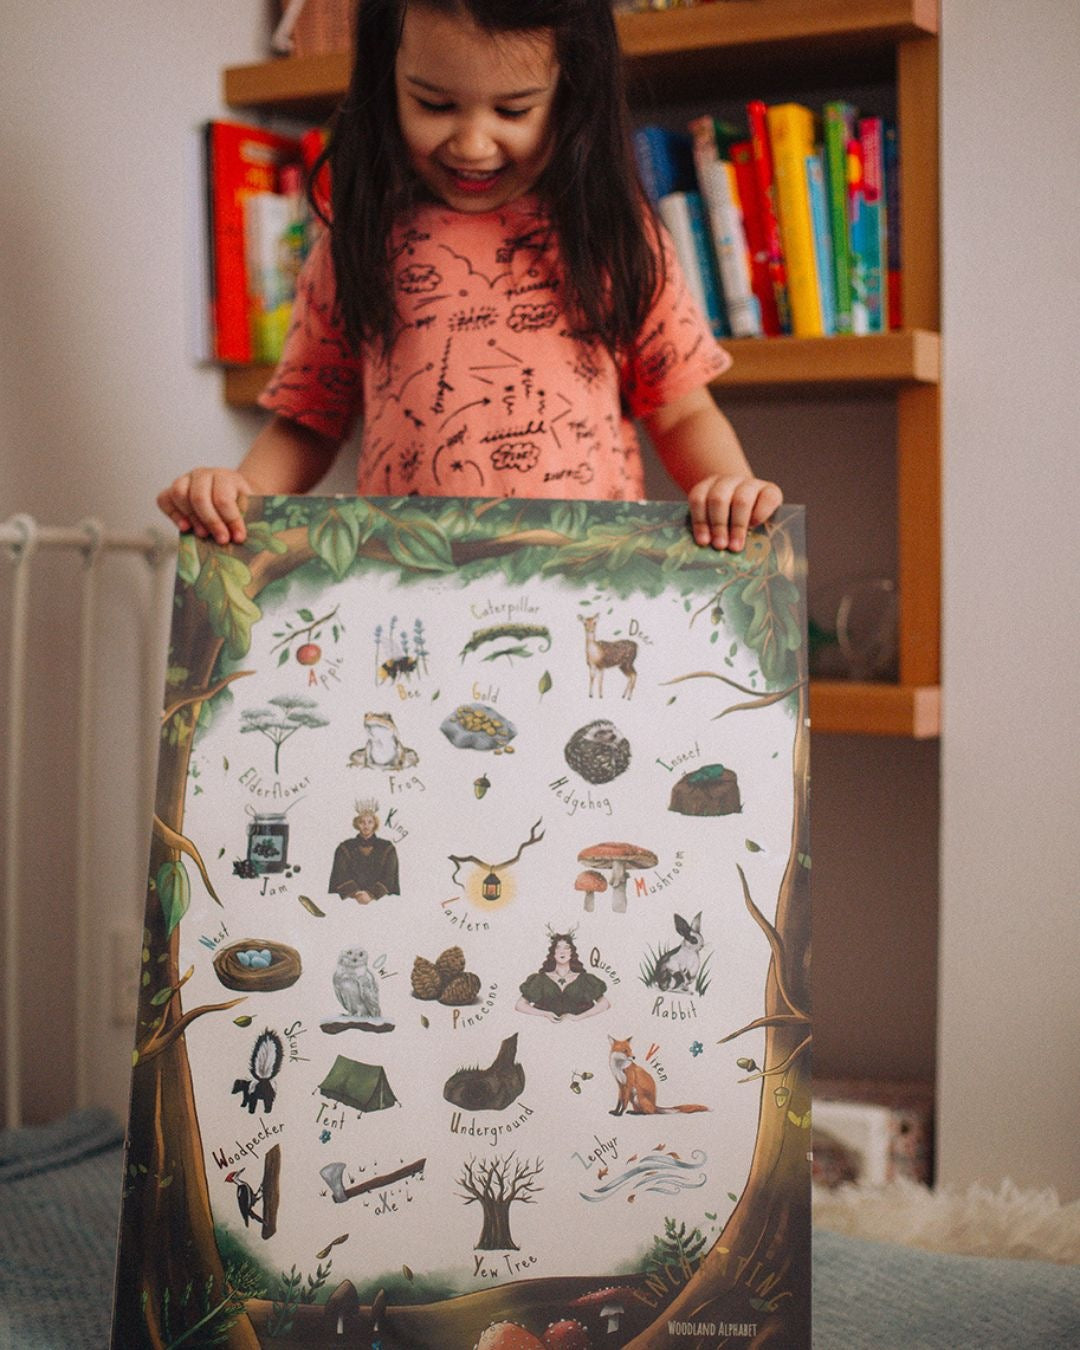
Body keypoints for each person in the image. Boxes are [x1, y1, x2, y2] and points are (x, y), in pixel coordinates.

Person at [158, 0, 781, 553]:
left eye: (513, 109)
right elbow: (308, 420)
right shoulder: (360, 242)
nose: (473, 144)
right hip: (412, 586)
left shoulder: (615, 237)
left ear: (572, 94)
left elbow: (681, 413)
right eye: (434, 104)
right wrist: (240, 491)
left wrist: (727, 488)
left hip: (586, 583)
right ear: (386, 83)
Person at [516, 933, 609, 1021]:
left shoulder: (585, 979)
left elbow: (604, 1003)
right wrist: (545, 1014)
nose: (562, 952)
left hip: (580, 1030)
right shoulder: (540, 979)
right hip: (546, 1031)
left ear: (572, 952)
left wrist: (578, 1017)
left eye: (566, 948)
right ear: (553, 952)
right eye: (558, 948)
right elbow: (520, 1005)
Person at [328, 805, 401, 903]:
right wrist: (356, 893)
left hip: (382, 902)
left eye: (370, 822)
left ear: (375, 824)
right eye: (362, 822)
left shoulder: (387, 847)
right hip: (350, 902)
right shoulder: (345, 847)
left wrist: (371, 894)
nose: (366, 826)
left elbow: (390, 876)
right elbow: (340, 874)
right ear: (357, 824)